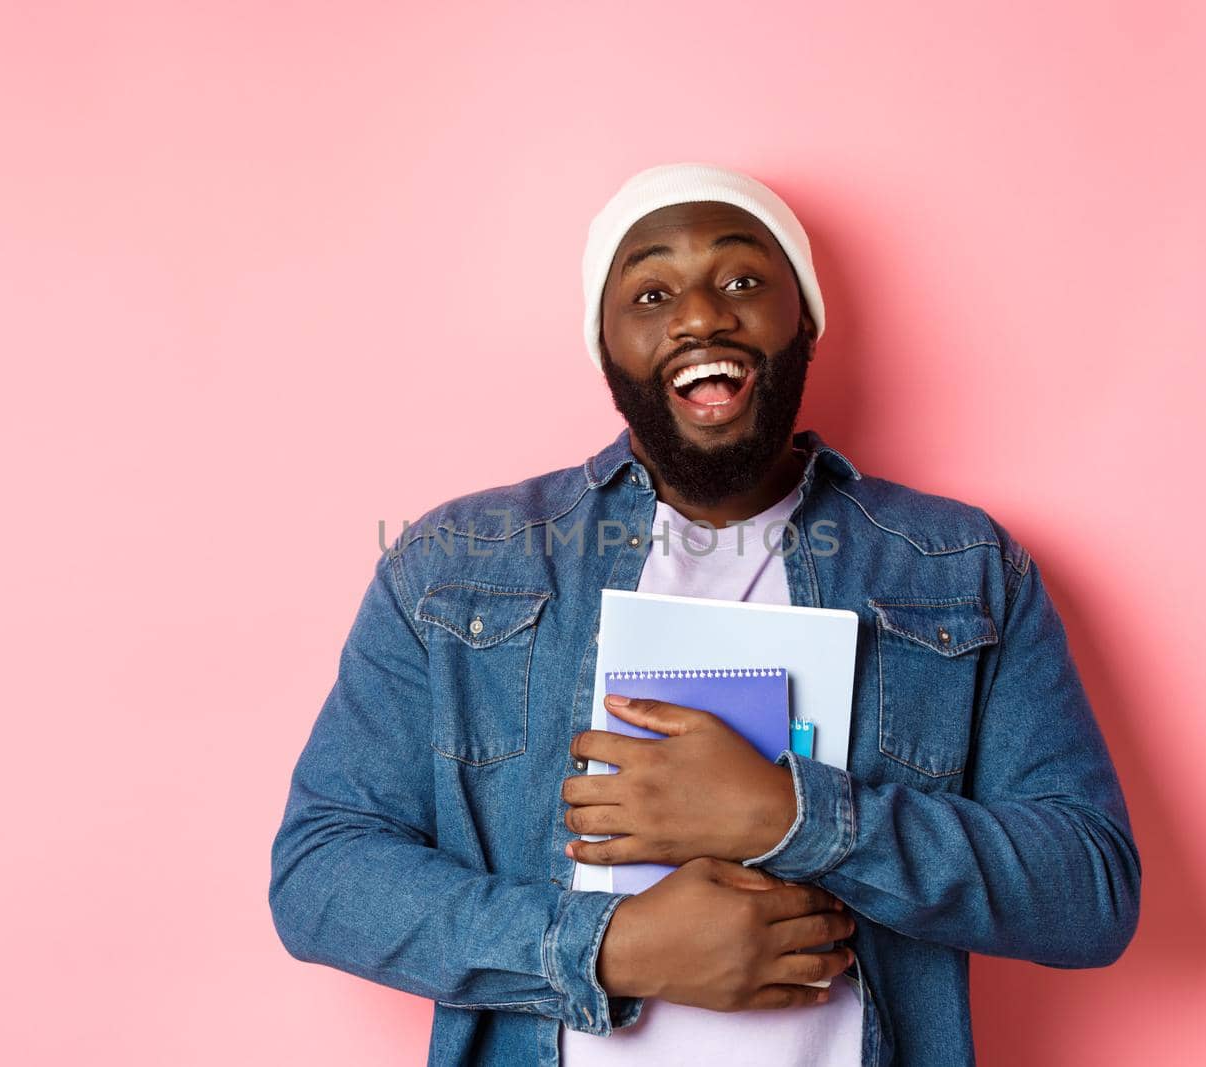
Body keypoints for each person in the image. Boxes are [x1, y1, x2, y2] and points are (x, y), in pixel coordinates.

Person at [269, 162, 1141, 1067]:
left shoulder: (962, 567)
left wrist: (791, 816)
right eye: (651, 291)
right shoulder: (455, 564)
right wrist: (613, 946)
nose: (699, 315)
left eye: (742, 281)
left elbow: (1090, 887)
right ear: (605, 345)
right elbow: (321, 873)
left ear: (803, 320)